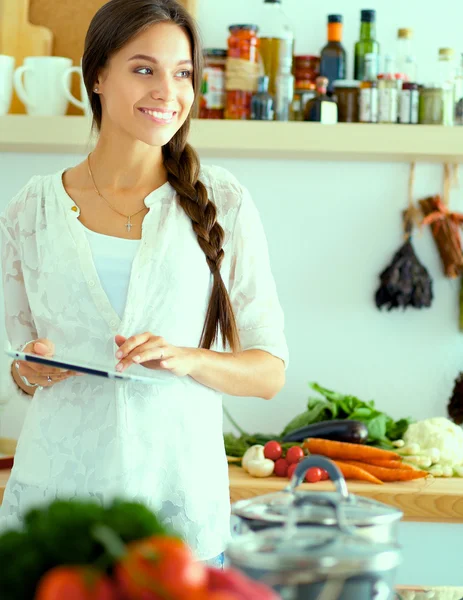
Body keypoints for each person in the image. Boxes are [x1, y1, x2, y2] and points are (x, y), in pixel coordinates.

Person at [0, 0, 288, 566]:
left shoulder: (223, 201)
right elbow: (21, 363)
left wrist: (188, 359)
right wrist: (27, 369)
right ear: (98, 76)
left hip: (178, 507)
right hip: (57, 504)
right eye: (143, 69)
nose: (167, 91)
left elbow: (269, 370)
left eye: (182, 73)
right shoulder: (30, 209)